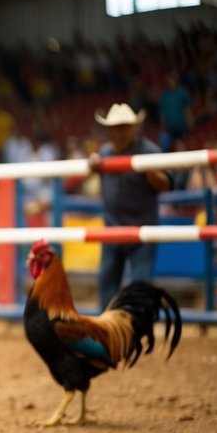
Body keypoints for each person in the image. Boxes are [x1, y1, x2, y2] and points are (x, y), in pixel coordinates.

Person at [89, 103, 171, 310]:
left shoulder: (149, 150)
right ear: (109, 130)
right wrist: (94, 163)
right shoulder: (105, 152)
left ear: (135, 127)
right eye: (116, 127)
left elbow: (167, 184)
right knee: (106, 287)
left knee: (140, 286)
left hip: (141, 231)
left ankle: (139, 328)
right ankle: (107, 333)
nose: (120, 132)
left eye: (125, 126)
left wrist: (150, 172)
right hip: (112, 230)